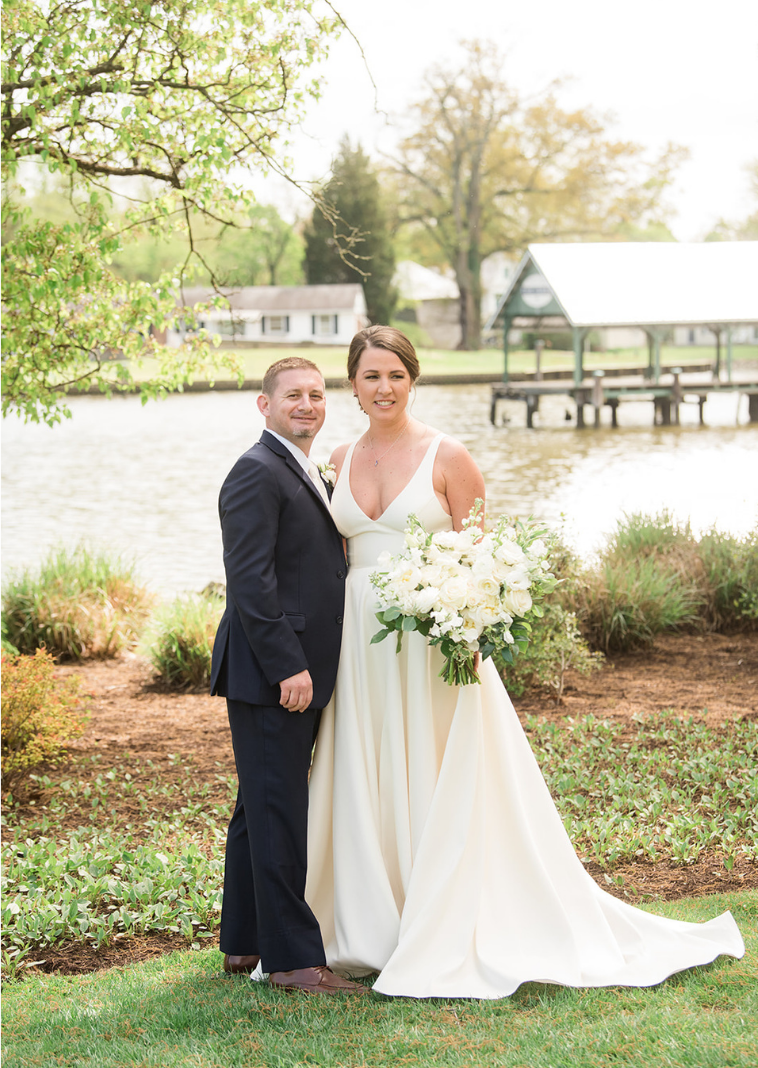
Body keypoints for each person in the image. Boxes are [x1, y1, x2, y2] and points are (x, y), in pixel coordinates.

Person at [306, 325, 746, 999]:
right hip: (360, 645)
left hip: (433, 642)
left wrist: (467, 624)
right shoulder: (336, 458)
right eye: (370, 376)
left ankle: (445, 918)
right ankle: (370, 922)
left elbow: (480, 561)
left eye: (395, 374)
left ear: (413, 379)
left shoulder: (448, 457)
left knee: (435, 771)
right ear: (353, 384)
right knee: (369, 769)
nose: (384, 388)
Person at [209, 356, 364, 995]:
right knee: (277, 809)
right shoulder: (254, 471)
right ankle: (296, 962)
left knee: (258, 805)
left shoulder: (301, 467)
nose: (307, 405)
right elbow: (250, 583)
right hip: (273, 671)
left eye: (316, 395)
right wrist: (289, 667)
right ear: (264, 405)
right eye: (293, 396)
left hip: (290, 668)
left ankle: (243, 941)